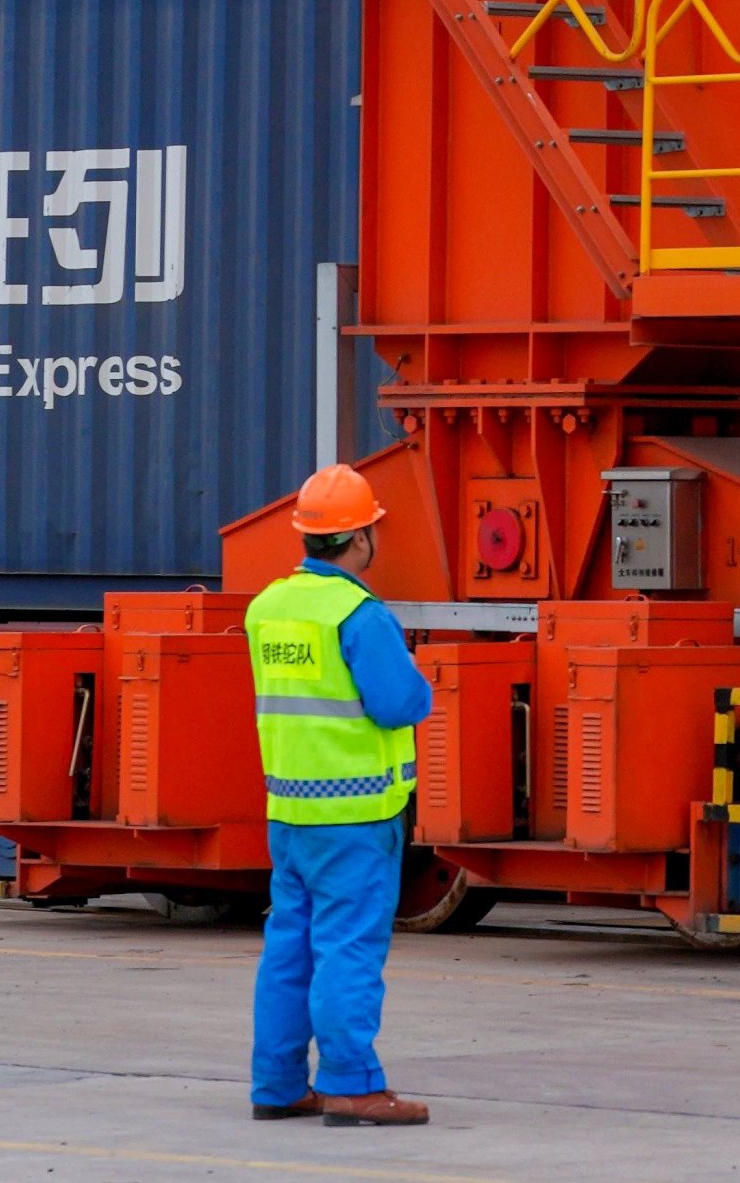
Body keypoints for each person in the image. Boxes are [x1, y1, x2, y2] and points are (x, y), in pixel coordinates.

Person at [246, 465, 436, 1129]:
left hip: (289, 811)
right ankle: (351, 1084)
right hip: (356, 815)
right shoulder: (359, 613)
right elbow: (400, 703)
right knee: (347, 947)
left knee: (289, 947)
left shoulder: (266, 606)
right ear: (358, 537)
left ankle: (275, 1084)